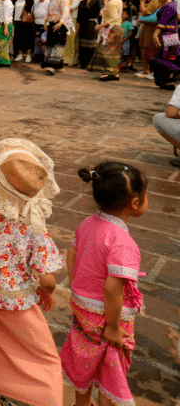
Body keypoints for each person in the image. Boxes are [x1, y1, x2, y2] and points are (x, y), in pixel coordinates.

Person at [0, 140, 65, 406]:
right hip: (21, 303)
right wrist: (46, 292)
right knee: (44, 358)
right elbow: (47, 278)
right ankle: (49, 400)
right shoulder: (31, 224)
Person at [61, 162, 148, 406]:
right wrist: (112, 327)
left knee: (84, 362)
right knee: (111, 367)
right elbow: (112, 288)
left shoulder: (88, 224)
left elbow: (72, 254)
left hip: (83, 311)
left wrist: (77, 289)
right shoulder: (123, 243)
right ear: (134, 203)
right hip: (107, 318)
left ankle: (81, 403)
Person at [150, 0, 179, 89]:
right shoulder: (168, 5)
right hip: (169, 35)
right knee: (166, 57)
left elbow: (163, 22)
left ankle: (169, 78)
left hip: (168, 35)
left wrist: (155, 34)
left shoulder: (169, 6)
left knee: (162, 58)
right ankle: (166, 81)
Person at [94, 0, 124, 81]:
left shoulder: (112, 3)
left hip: (112, 29)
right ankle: (113, 72)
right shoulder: (118, 0)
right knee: (113, 51)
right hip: (116, 28)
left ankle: (111, 72)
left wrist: (100, 26)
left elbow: (113, 19)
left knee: (107, 51)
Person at [136, 0, 161, 79]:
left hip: (151, 27)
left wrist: (142, 2)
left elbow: (144, 12)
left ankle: (148, 71)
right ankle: (148, 70)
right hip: (151, 26)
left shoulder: (157, 1)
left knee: (146, 47)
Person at [78, 0, 104, 68]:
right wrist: (78, 24)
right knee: (82, 44)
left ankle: (91, 63)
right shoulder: (82, 2)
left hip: (93, 24)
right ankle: (83, 63)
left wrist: (101, 10)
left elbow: (101, 7)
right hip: (83, 24)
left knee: (92, 45)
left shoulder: (98, 0)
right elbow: (79, 14)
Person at [63, 0, 84, 66]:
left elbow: (72, 7)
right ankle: (65, 58)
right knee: (66, 40)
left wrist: (65, 7)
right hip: (65, 19)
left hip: (73, 20)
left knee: (72, 40)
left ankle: (72, 60)